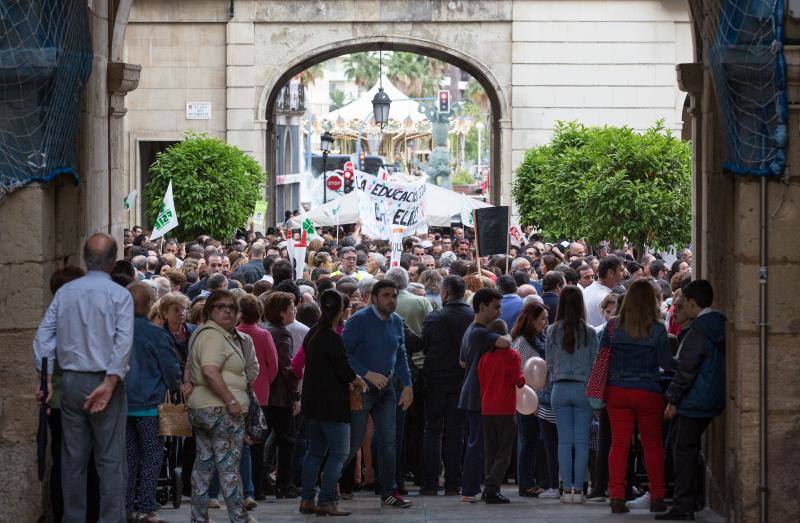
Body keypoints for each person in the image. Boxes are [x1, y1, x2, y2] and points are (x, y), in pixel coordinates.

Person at [33, 233, 133, 522]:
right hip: (105, 380)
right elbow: (123, 342)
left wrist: (47, 379)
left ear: (85, 258)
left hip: (73, 382)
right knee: (110, 460)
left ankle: (73, 518)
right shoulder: (119, 295)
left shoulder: (66, 293)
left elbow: (43, 339)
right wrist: (110, 382)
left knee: (72, 459)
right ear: (113, 263)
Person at [601, 279, 674, 514]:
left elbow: (602, 359)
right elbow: (666, 363)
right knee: (652, 445)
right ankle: (657, 496)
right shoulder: (657, 328)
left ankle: (616, 496)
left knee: (619, 444)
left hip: (617, 391)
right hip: (647, 390)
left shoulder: (613, 326)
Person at [186, 290, 259, 523]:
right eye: (220, 306)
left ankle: (199, 516)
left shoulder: (205, 334)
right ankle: (239, 517)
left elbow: (191, 364)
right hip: (219, 409)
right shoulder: (214, 336)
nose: (227, 310)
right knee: (228, 466)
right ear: (209, 310)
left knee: (204, 465)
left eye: (231, 307)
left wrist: (187, 382)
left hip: (204, 409)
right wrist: (231, 400)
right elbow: (209, 370)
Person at [342, 280, 414, 508]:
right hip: (362, 389)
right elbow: (344, 354)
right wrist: (366, 374)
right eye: (386, 295)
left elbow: (400, 353)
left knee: (389, 442)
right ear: (374, 297)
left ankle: (388, 491)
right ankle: (329, 487)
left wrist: (408, 384)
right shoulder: (358, 321)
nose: (391, 300)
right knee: (353, 443)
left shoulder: (396, 321)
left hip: (388, 389)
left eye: (394, 295)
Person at [658, 280, 726, 521]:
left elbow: (687, 369)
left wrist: (673, 400)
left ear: (693, 302)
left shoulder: (699, 331)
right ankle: (691, 499)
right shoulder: (718, 326)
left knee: (682, 450)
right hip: (710, 397)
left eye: (685, 301)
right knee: (687, 448)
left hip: (695, 400)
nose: (682, 305)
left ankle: (683, 505)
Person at [299, 290, 368, 516]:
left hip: (312, 402)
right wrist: (357, 381)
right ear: (341, 310)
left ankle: (307, 499)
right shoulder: (331, 336)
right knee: (339, 452)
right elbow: (343, 368)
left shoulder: (313, 333)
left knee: (315, 452)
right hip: (332, 404)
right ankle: (327, 500)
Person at [125, 283, 182, 522]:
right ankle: (147, 505)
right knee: (152, 455)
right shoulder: (156, 334)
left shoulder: (117, 331)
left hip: (122, 405)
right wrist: (175, 386)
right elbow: (170, 370)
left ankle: (127, 505)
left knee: (128, 457)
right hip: (149, 405)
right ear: (150, 304)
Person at [420, 275, 473, 496]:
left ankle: (431, 482)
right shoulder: (472, 316)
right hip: (462, 379)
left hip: (436, 378)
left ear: (445, 293)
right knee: (457, 431)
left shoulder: (434, 317)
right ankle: (453, 482)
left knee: (432, 430)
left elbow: (425, 346)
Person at [545, 286, 599, 504]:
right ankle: (580, 490)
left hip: (559, 388)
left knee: (564, 442)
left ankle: (566, 489)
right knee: (582, 442)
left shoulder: (551, 330)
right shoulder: (590, 332)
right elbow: (595, 363)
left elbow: (548, 362)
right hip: (582, 389)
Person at [458, 288, 512, 502]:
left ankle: (471, 488)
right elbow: (506, 343)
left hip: (472, 392)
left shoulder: (470, 329)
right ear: (482, 307)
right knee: (479, 444)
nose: (499, 312)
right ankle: (470, 489)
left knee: (477, 442)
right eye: (496, 307)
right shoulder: (479, 332)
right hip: (478, 394)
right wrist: (506, 333)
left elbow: (462, 361)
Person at [236, 294, 278, 503]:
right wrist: (265, 383)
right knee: (258, 443)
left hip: (236, 394)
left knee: (239, 441)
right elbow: (273, 365)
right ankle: (257, 488)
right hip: (261, 395)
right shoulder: (264, 335)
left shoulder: (233, 334)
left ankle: (241, 486)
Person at [477, 317, 523, 504]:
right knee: (504, 451)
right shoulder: (512, 355)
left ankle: (489, 487)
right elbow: (517, 380)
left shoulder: (484, 357)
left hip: (487, 407)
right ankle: (492, 487)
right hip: (505, 407)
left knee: (490, 450)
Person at [263, 291, 300, 498]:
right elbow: (286, 367)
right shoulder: (282, 333)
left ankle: (263, 481)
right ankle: (284, 485)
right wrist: (295, 394)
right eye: (291, 307)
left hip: (265, 394)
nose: (294, 310)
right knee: (287, 441)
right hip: (279, 396)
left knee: (264, 439)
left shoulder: (264, 329)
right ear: (281, 312)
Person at [510, 302, 549, 498]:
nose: (545, 322)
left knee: (533, 441)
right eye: (542, 318)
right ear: (531, 320)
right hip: (528, 401)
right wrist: (530, 400)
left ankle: (533, 481)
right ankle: (526, 483)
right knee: (528, 441)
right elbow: (520, 373)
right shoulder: (523, 343)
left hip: (539, 399)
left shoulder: (539, 338)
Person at [583, 255, 624, 327]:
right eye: (621, 270)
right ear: (610, 273)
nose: (624, 273)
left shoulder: (587, 290)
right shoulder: (605, 297)